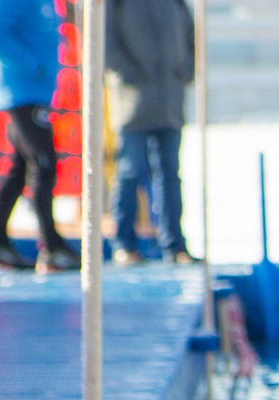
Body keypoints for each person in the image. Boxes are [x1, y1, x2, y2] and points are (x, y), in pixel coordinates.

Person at [0, 0, 76, 271]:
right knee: (44, 164)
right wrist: (33, 67)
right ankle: (51, 247)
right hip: (22, 93)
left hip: (36, 92)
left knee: (20, 168)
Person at [107, 0, 194, 264]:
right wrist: (130, 75)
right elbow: (104, 42)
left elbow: (191, 36)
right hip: (133, 102)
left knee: (170, 173)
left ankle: (175, 246)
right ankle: (124, 244)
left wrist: (185, 70)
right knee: (130, 172)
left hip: (169, 102)